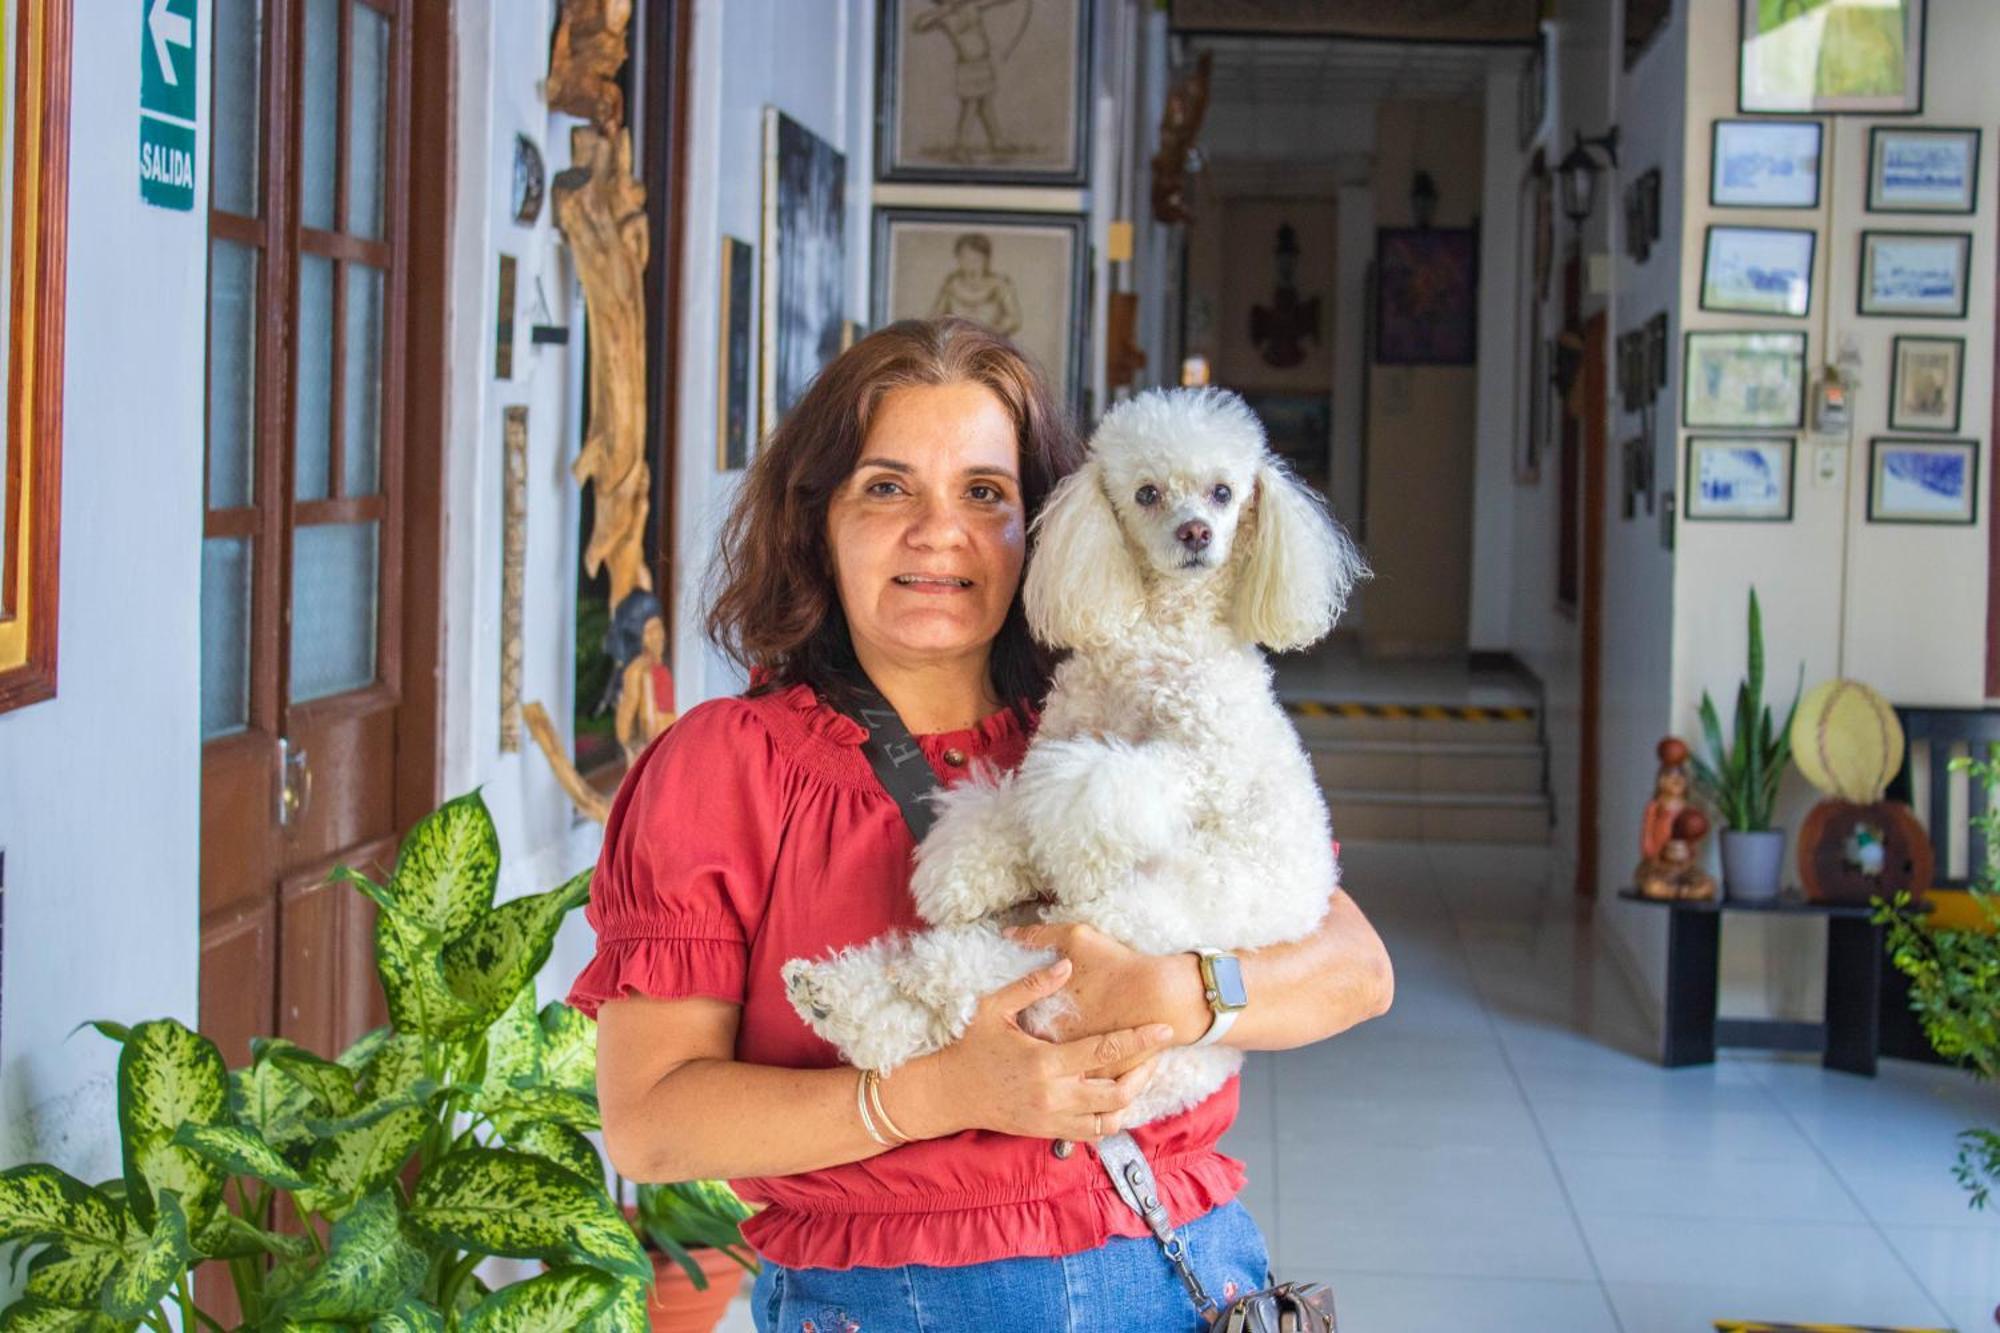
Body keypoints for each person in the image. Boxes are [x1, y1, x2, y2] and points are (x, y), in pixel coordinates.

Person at [568, 317, 1394, 1330]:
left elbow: (1355, 969)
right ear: (814, 516)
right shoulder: (723, 767)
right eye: (885, 486)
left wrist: (1178, 992)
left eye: (983, 493)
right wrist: (931, 1095)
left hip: (1182, 1284)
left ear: (1040, 523)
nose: (936, 530)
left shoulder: (1118, 706)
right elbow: (650, 1125)